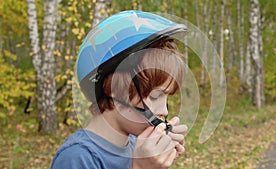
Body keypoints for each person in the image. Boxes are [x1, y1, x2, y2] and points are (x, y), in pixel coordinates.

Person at [51, 10, 188, 169]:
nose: (164, 111)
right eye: (155, 96)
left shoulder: (135, 145)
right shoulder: (77, 158)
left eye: (167, 97)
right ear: (113, 88)